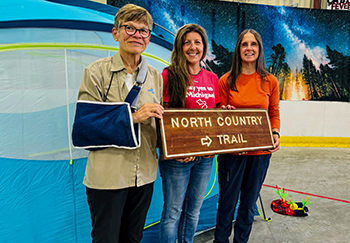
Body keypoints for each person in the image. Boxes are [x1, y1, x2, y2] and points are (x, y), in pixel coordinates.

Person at [72, 4, 163, 243]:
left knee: (133, 237)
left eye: (143, 31)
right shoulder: (96, 73)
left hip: (144, 175)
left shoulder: (154, 76)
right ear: (115, 33)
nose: (137, 35)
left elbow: (159, 124)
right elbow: (86, 127)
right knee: (106, 238)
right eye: (129, 28)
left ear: (149, 38)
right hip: (108, 176)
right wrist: (132, 117)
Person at [214, 29, 280, 243]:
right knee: (227, 203)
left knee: (249, 204)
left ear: (259, 49)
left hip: (260, 153)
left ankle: (241, 240)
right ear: (238, 49)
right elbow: (219, 117)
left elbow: (274, 113)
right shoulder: (226, 80)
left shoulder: (270, 81)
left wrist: (275, 133)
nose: (249, 48)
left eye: (253, 44)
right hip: (232, 154)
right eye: (244, 44)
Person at [159, 24, 221, 243]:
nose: (192, 47)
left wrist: (225, 114)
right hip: (177, 159)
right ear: (179, 47)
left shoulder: (212, 79)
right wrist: (178, 150)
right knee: (172, 213)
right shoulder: (168, 75)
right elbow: (164, 118)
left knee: (193, 211)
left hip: (205, 158)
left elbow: (215, 115)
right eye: (187, 42)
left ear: (204, 47)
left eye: (197, 42)